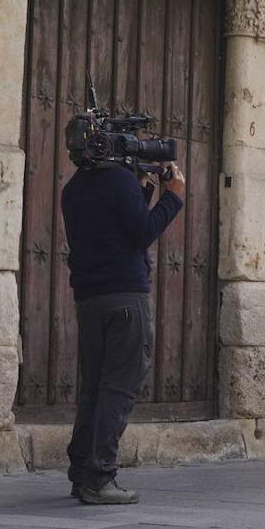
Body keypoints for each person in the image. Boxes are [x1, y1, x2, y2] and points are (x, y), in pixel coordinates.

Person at [62, 158, 185, 504]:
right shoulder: (119, 180)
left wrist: (143, 187)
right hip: (125, 298)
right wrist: (172, 196)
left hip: (90, 298)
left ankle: (82, 472)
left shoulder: (74, 187)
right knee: (120, 386)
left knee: (94, 387)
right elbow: (141, 233)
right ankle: (100, 476)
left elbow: (118, 226)